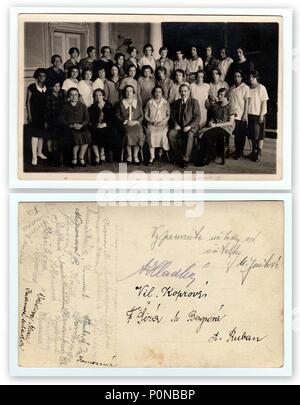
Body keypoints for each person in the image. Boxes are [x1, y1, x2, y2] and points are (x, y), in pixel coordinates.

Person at [195, 88, 236, 166]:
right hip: (215, 126)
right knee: (200, 133)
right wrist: (211, 122)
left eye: (221, 95)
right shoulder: (216, 105)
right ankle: (205, 155)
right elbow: (214, 117)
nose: (219, 96)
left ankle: (207, 157)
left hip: (226, 128)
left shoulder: (230, 106)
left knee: (207, 135)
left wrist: (215, 125)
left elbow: (230, 122)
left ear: (226, 96)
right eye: (219, 94)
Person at [168, 84, 200, 168]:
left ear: (189, 92)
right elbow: (173, 116)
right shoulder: (176, 102)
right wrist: (175, 124)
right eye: (181, 91)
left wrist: (189, 126)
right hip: (180, 126)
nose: (183, 93)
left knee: (190, 135)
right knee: (171, 134)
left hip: (191, 126)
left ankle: (186, 159)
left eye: (185, 91)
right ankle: (179, 156)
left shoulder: (194, 102)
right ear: (179, 92)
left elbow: (197, 117)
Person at [58, 87, 91, 167]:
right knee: (76, 137)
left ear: (78, 96)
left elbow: (87, 118)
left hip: (81, 126)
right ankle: (74, 157)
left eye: (76, 95)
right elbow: (61, 119)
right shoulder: (65, 106)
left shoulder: (83, 106)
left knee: (86, 136)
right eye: (71, 95)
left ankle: (81, 157)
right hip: (69, 128)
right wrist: (71, 125)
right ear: (68, 96)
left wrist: (81, 124)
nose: (74, 96)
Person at [116, 85, 145, 164]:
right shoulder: (121, 103)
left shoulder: (137, 103)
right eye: (127, 91)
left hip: (136, 123)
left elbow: (142, 115)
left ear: (133, 92)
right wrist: (126, 121)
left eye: (131, 91)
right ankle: (129, 155)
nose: (129, 93)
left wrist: (136, 121)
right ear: (124, 93)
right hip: (125, 123)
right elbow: (117, 115)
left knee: (139, 133)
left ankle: (135, 155)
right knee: (128, 133)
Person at [88, 88, 117, 165]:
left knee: (104, 133)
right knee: (93, 133)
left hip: (106, 125)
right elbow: (90, 119)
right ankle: (97, 156)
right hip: (96, 125)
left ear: (103, 96)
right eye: (96, 95)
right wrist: (96, 124)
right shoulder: (92, 107)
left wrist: (105, 124)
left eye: (100, 95)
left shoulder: (108, 105)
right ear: (94, 97)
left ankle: (102, 153)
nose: (98, 97)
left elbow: (112, 118)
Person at [26, 68, 48, 166]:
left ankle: (39, 152)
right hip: (34, 114)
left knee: (41, 134)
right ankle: (34, 156)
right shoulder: (31, 87)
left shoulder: (46, 88)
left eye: (44, 76)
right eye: (40, 76)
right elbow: (27, 102)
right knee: (35, 134)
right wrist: (29, 115)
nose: (42, 78)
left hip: (43, 114)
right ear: (37, 76)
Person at [144, 86, 170, 166]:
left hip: (163, 124)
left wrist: (162, 122)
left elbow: (168, 115)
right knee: (152, 134)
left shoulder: (165, 102)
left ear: (162, 93)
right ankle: (152, 157)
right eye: (156, 92)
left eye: (159, 92)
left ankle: (161, 150)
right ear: (153, 93)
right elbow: (146, 115)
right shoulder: (149, 102)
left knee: (162, 134)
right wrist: (151, 122)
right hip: (152, 124)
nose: (157, 93)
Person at [247, 70, 269, 162]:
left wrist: (261, 115)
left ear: (256, 77)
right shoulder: (247, 88)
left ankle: (259, 153)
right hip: (250, 114)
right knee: (252, 135)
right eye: (250, 77)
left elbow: (264, 102)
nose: (251, 79)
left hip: (258, 115)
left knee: (259, 135)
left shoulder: (261, 88)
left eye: (253, 77)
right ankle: (253, 151)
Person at [229, 70, 250, 159]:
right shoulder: (232, 87)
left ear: (241, 77)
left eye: (238, 76)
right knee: (236, 134)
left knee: (240, 135)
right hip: (232, 114)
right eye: (235, 76)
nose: (237, 78)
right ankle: (237, 151)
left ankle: (239, 152)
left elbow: (247, 101)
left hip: (241, 114)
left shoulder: (245, 87)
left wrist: (245, 114)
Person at [44, 81, 65, 165]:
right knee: (50, 138)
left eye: (58, 86)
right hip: (51, 120)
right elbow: (46, 110)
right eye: (55, 86)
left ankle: (56, 157)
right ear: (51, 87)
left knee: (56, 138)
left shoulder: (61, 96)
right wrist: (46, 121)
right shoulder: (49, 96)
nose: (57, 88)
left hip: (59, 120)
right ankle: (50, 156)